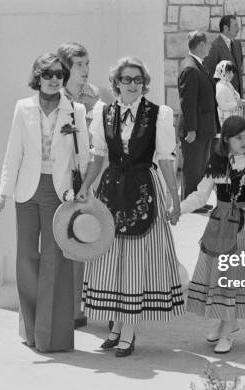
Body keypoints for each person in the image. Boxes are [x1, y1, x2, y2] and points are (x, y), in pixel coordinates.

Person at [76, 57, 185, 357]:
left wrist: (174, 198)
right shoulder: (104, 112)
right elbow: (98, 155)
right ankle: (115, 326)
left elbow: (165, 158)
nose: (133, 84)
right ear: (116, 84)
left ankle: (129, 329)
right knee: (112, 259)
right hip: (111, 190)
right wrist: (85, 188)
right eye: (127, 79)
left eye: (138, 79)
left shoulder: (158, 114)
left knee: (135, 261)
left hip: (142, 190)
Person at [0, 54, 90, 352]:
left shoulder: (75, 110)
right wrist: (2, 197)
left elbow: (82, 156)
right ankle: (31, 329)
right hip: (26, 193)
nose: (54, 78)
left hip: (59, 193)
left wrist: (85, 191)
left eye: (59, 73)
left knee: (53, 260)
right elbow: (13, 154)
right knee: (26, 260)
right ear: (38, 75)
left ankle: (50, 335)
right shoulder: (23, 108)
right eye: (47, 73)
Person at [180, 115, 245, 354]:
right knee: (222, 276)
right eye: (239, 137)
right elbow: (200, 195)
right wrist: (178, 209)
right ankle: (226, 323)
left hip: (244, 224)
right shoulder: (218, 162)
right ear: (227, 139)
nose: (244, 141)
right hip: (220, 224)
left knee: (235, 276)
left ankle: (227, 333)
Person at [56, 42, 101, 330]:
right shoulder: (54, 100)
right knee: (62, 248)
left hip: (83, 181)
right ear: (66, 68)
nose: (86, 70)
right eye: (80, 65)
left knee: (82, 243)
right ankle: (65, 308)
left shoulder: (89, 99)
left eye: (88, 64)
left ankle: (77, 307)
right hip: (59, 184)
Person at [178, 31, 220, 206]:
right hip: (196, 130)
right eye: (208, 44)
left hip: (204, 128)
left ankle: (196, 201)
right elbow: (188, 103)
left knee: (200, 166)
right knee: (193, 168)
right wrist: (192, 129)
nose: (209, 47)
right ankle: (189, 203)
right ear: (201, 44)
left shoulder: (197, 64)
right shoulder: (190, 67)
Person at [205, 15, 243, 96]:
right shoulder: (214, 46)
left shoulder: (237, 44)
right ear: (226, 28)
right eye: (235, 25)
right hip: (224, 99)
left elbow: (239, 69)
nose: (238, 28)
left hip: (238, 97)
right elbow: (210, 74)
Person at [214, 60, 244, 126]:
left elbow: (233, 98)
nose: (232, 74)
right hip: (228, 123)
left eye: (232, 72)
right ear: (222, 72)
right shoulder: (220, 86)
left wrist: (240, 102)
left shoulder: (227, 83)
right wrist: (237, 103)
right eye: (228, 72)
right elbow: (222, 105)